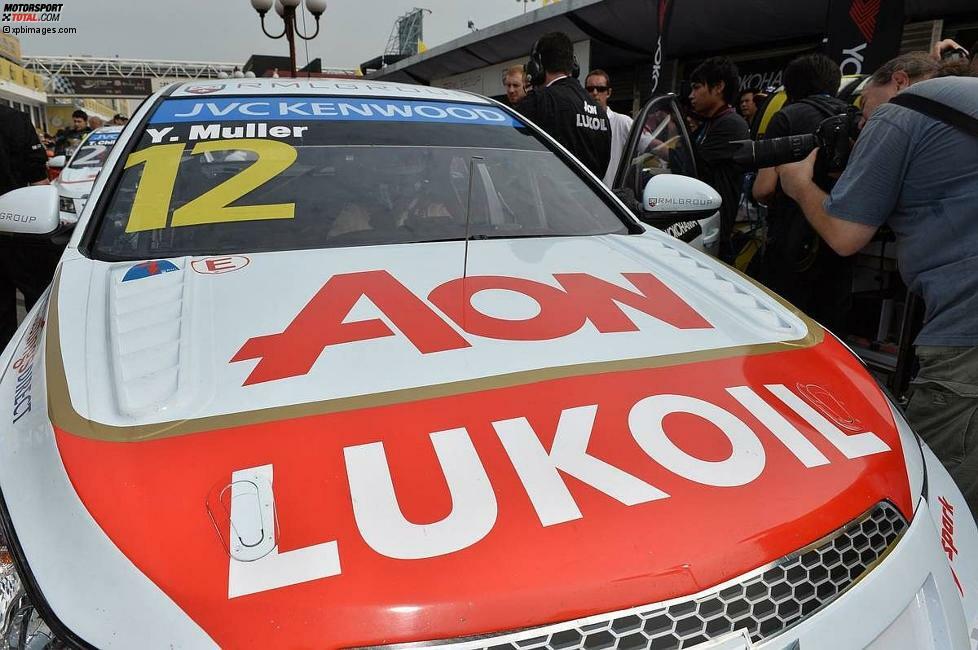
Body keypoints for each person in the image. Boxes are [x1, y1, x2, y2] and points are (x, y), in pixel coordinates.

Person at [777, 62, 978, 516]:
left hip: (968, 337)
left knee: (939, 505)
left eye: (862, 111)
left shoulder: (901, 111)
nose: (861, 125)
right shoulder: (963, 102)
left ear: (899, 81)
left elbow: (844, 235)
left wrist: (800, 185)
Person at [751, 53, 853, 332]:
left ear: (790, 88)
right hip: (842, 239)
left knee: (784, 325)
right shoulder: (853, 117)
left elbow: (763, 188)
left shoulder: (787, 117)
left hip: (791, 245)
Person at [516, 32, 611, 178]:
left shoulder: (540, 101)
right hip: (592, 199)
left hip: (551, 197)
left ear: (538, 66)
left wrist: (530, 91)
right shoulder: (600, 111)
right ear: (573, 64)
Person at [0, 104, 55, 347]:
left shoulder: (14, 119)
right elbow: (40, 181)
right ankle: (37, 355)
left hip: (20, 226)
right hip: (21, 226)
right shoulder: (15, 119)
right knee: (37, 300)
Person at [687, 57, 749, 263]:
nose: (691, 95)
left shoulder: (731, 124)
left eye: (697, 88)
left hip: (714, 235)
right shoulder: (710, 123)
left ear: (718, 87)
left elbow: (690, 164)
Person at [585, 69, 633, 186]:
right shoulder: (578, 121)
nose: (595, 93)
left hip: (611, 197)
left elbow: (648, 144)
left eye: (601, 89)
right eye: (590, 89)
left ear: (609, 92)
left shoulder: (623, 122)